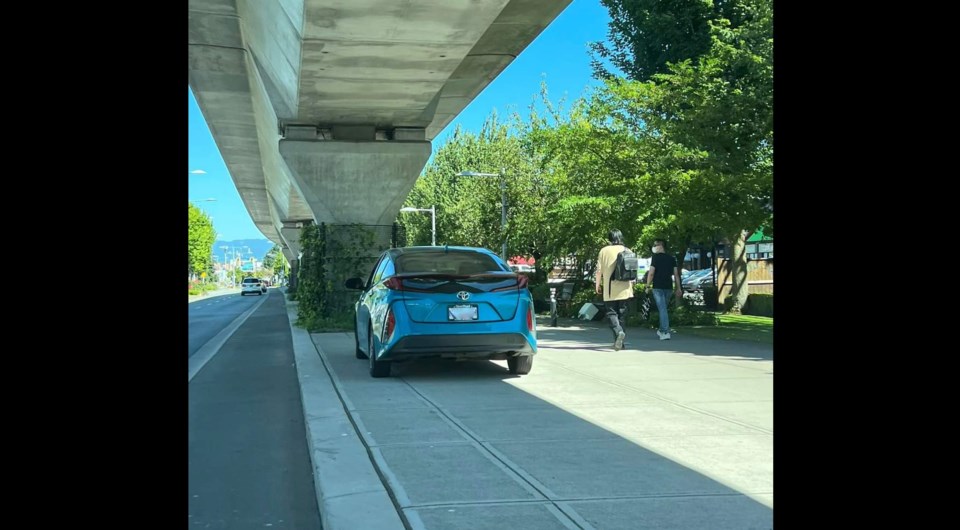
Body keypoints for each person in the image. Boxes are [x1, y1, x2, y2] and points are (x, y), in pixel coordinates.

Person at [595, 229, 634, 350]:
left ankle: (618, 332)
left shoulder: (604, 251)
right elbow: (633, 272)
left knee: (611, 313)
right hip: (626, 288)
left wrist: (597, 286)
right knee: (622, 315)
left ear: (609, 238)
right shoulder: (628, 250)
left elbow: (598, 271)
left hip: (610, 288)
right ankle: (620, 343)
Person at [644, 238, 682, 340]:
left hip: (658, 287)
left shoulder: (655, 258)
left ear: (661, 246)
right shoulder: (671, 258)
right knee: (663, 309)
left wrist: (648, 285)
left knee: (662, 309)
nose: (654, 247)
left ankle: (665, 332)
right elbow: (676, 274)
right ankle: (661, 330)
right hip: (668, 287)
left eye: (656, 245)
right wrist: (678, 288)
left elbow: (651, 273)